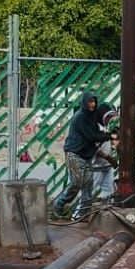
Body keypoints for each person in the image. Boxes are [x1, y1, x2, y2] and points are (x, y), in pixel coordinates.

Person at [53, 92, 110, 221]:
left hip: (86, 155)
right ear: (84, 103)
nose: (92, 104)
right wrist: (109, 136)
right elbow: (92, 136)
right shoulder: (80, 117)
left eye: (94, 102)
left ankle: (83, 213)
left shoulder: (91, 118)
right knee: (77, 182)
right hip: (75, 153)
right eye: (90, 102)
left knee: (88, 184)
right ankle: (58, 205)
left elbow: (97, 131)